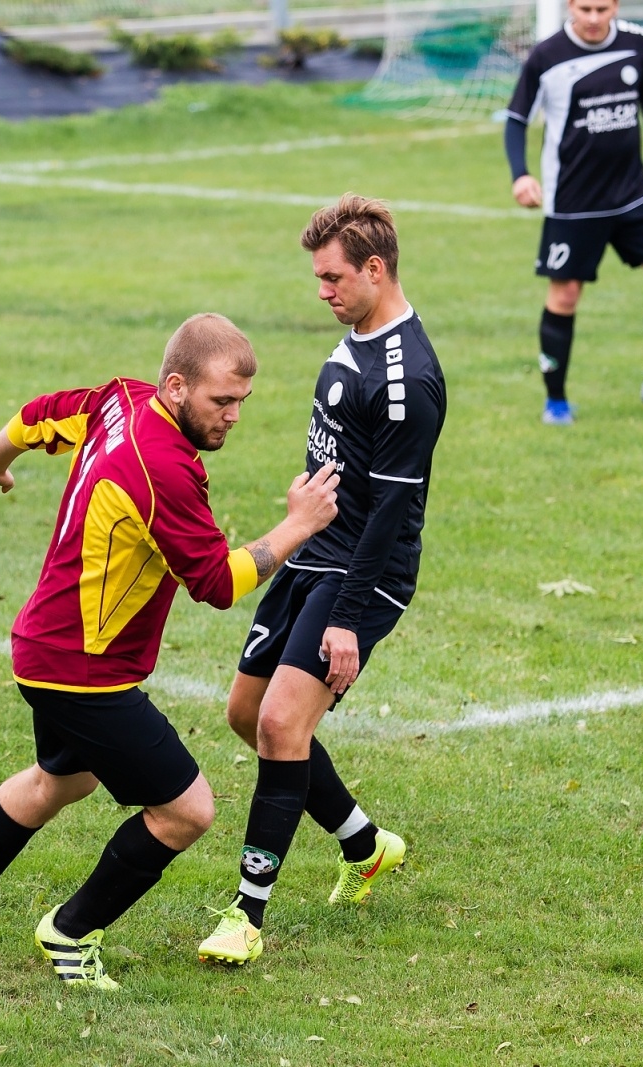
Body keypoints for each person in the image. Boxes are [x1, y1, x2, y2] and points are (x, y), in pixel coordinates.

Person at [0, 314, 341, 990]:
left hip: (46, 647)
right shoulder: (164, 466)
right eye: (219, 401)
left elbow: (35, 417)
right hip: (84, 672)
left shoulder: (122, 398)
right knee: (188, 809)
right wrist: (298, 525)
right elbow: (219, 583)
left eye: (241, 403)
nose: (232, 417)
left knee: (64, 779)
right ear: (175, 385)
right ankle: (70, 931)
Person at [197, 195, 446, 967]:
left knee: (280, 725)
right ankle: (366, 845)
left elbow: (391, 515)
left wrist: (346, 617)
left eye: (334, 277)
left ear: (377, 270)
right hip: (310, 551)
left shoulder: (408, 379)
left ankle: (247, 914)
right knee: (248, 715)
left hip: (359, 574)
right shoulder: (357, 335)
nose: (323, 291)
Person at [504, 0, 643, 425]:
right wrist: (521, 175)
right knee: (565, 295)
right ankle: (556, 401)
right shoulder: (547, 56)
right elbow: (516, 118)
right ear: (570, 6)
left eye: (602, 8)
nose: (593, 18)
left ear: (616, 6)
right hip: (573, 201)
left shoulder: (637, 45)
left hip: (633, 192)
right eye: (585, 8)